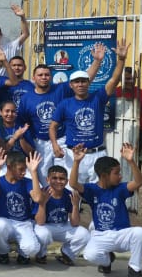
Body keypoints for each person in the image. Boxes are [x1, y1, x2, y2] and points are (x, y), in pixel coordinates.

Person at [68, 143, 142, 277]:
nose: (120, 176)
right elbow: (74, 183)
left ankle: (134, 269)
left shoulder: (120, 189)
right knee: (90, 255)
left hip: (121, 234)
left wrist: (131, 161)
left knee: (141, 233)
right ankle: (107, 261)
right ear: (104, 176)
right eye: (116, 173)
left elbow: (139, 182)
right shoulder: (92, 189)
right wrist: (76, 162)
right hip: (101, 235)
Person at [50, 40, 128, 184]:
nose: (80, 84)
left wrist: (122, 59)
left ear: (88, 83)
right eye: (77, 82)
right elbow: (53, 126)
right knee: (72, 194)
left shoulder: (98, 98)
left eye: (84, 81)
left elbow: (114, 80)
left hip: (97, 155)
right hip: (72, 155)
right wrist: (55, 144)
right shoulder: (64, 104)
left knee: (99, 194)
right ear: (71, 85)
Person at [0, 150, 43, 265]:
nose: (24, 172)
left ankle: (23, 254)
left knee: (32, 249)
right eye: (21, 169)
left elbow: (38, 198)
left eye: (25, 169)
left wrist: (33, 172)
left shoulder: (27, 182)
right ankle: (2, 253)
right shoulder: (0, 181)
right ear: (9, 167)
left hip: (24, 222)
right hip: (5, 219)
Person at [32, 165, 90, 266]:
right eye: (54, 178)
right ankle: (41, 254)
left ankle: (67, 254)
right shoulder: (42, 193)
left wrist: (75, 206)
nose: (58, 181)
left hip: (62, 225)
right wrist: (43, 204)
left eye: (62, 179)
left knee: (84, 234)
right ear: (47, 179)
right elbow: (40, 222)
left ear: (67, 181)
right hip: (45, 225)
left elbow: (75, 223)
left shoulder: (70, 195)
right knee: (43, 235)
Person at [116, 66, 142, 168]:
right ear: (121, 79)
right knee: (115, 161)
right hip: (116, 133)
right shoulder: (114, 93)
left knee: (135, 163)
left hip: (137, 134)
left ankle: (134, 182)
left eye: (133, 78)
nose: (131, 81)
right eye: (128, 78)